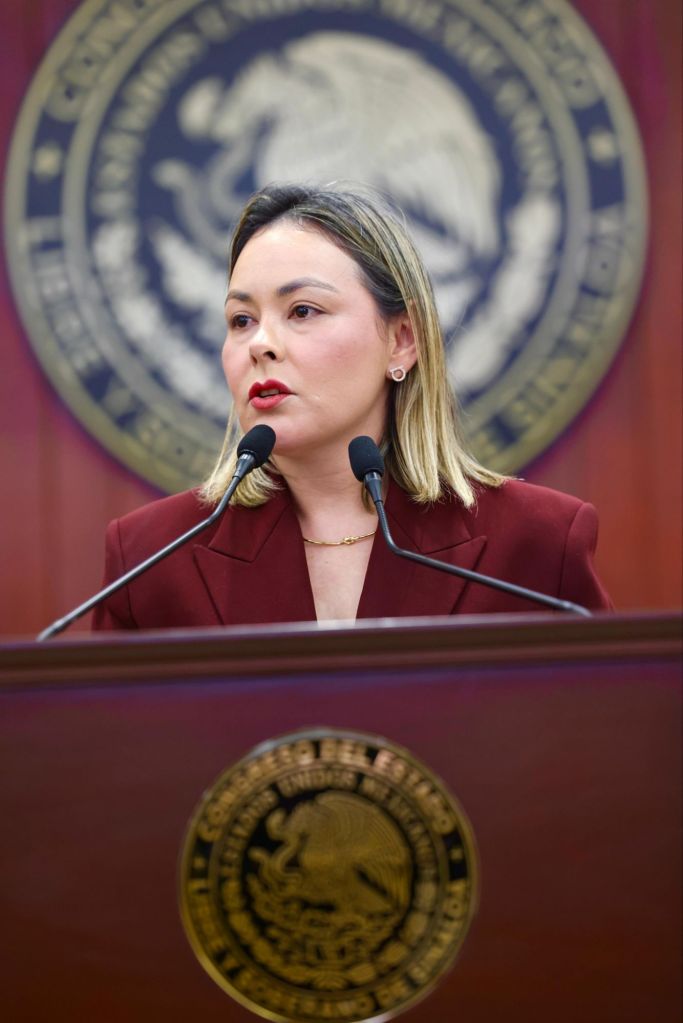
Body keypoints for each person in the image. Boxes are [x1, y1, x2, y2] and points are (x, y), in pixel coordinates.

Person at [92, 183, 611, 630]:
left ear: (402, 340)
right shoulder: (149, 560)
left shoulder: (537, 546)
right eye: (241, 320)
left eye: (302, 310)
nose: (260, 344)